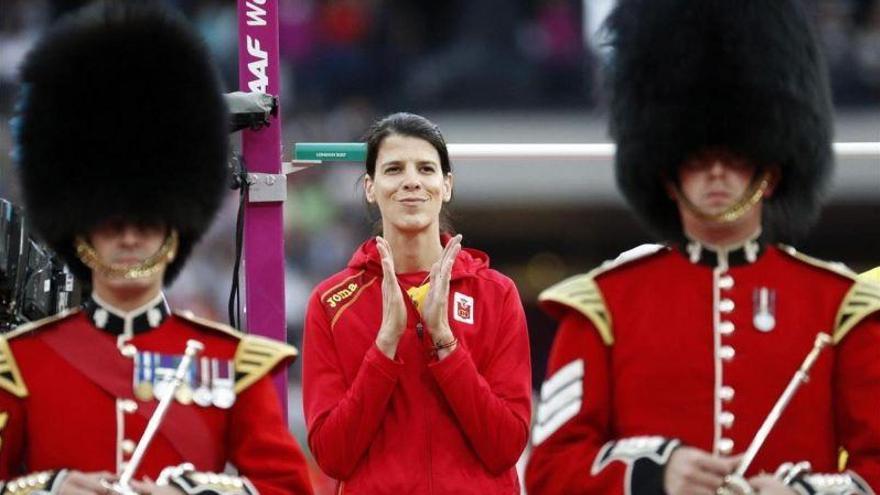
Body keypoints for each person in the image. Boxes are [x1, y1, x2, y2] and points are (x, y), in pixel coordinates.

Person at [525, 0, 880, 494]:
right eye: (696, 159)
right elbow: (549, 472)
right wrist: (654, 474)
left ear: (769, 173)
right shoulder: (601, 306)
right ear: (668, 176)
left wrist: (805, 493)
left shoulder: (841, 307)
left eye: (735, 158)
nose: (716, 173)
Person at [0, 3, 313, 495]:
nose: (129, 239)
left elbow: (288, 487)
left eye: (146, 222)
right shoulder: (19, 364)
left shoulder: (233, 364)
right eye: (112, 223)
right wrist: (49, 488)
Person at [301, 112, 532, 493]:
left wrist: (444, 340)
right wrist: (385, 344)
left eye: (425, 168)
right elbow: (333, 455)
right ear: (371, 188)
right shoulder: (331, 302)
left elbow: (505, 446)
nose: (411, 181)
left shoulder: (496, 294)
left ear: (446, 185)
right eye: (394, 169)